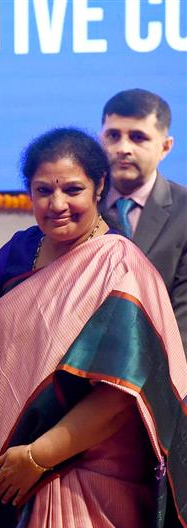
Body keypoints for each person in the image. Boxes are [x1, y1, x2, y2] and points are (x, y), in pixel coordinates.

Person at [0, 128, 187, 528]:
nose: (57, 205)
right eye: (42, 191)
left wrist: (38, 455)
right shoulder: (18, 255)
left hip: (95, 488)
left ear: (99, 187)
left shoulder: (119, 263)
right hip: (16, 491)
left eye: (72, 190)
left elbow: (123, 392)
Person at [99, 89, 187, 356]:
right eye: (113, 136)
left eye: (138, 138)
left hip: (165, 375)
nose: (123, 148)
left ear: (165, 147)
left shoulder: (184, 211)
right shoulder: (79, 206)